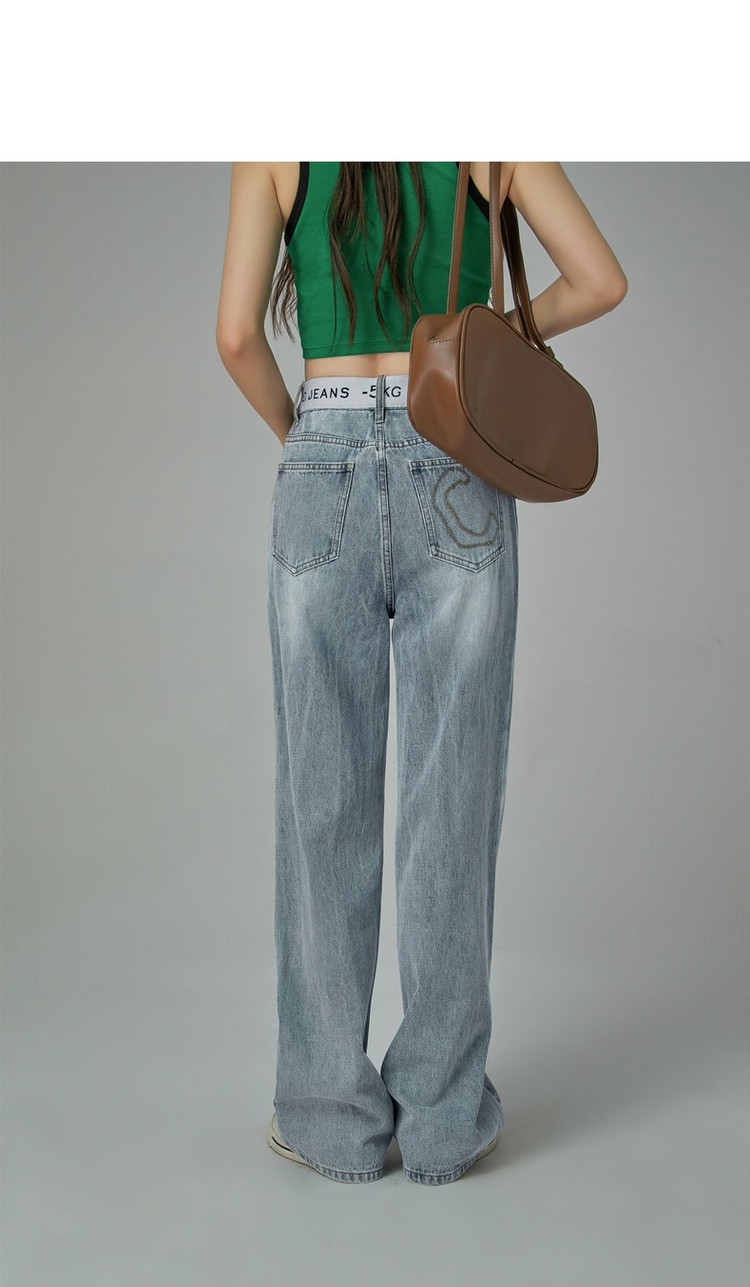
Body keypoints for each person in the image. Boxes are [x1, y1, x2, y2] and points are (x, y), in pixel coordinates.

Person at [216, 162, 628, 1187]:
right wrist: (488, 339)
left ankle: (327, 1116)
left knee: (320, 803)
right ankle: (443, 1119)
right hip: (457, 449)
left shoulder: (275, 140)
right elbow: (599, 280)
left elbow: (235, 337)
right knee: (454, 798)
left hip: (321, 455)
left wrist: (306, 439)